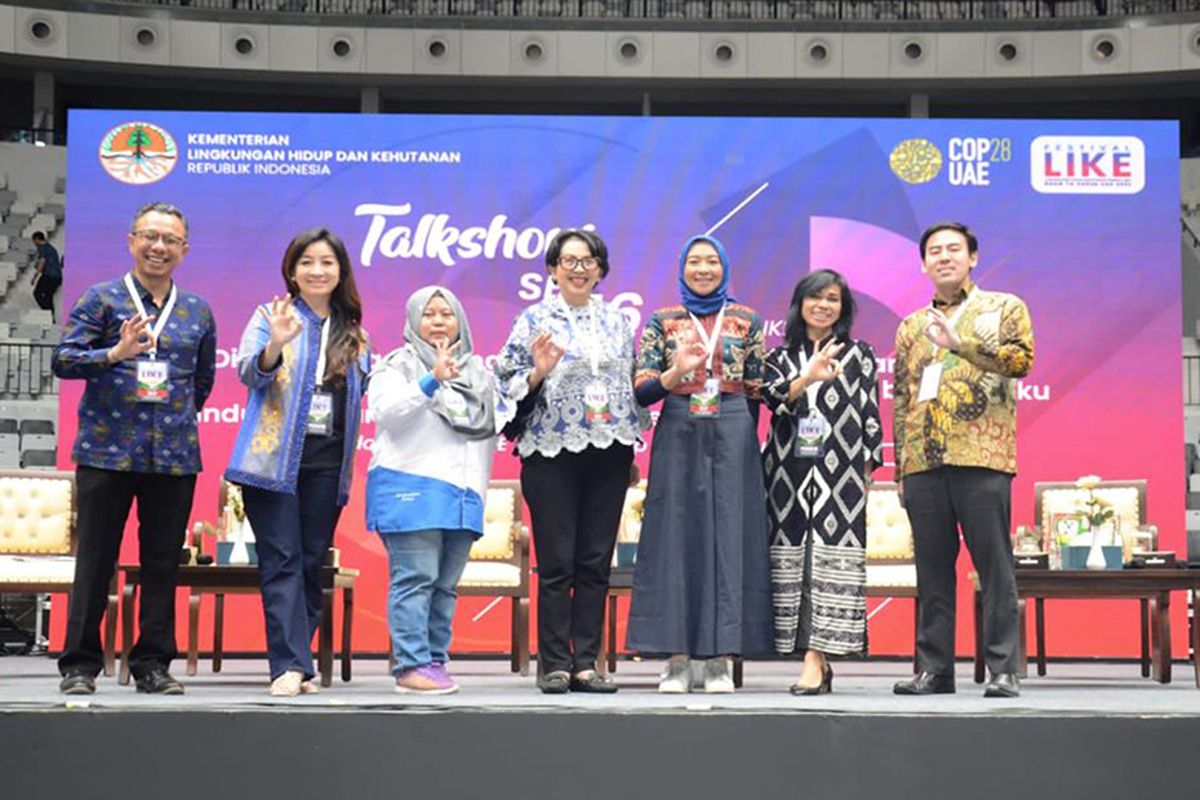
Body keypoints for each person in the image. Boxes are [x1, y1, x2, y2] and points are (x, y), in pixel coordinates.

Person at [54, 202, 216, 695]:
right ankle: (81, 665)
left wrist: (172, 417)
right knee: (97, 559)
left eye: (170, 239)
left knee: (163, 561)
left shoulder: (197, 311)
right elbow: (64, 361)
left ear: (183, 250)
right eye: (150, 236)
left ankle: (152, 664)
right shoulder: (100, 300)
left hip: (173, 456)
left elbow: (201, 383)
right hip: (106, 452)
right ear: (131, 241)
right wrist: (115, 354)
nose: (159, 246)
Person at [494, 229, 644, 694]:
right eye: (568, 260)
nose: (578, 268)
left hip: (609, 451)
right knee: (557, 562)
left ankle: (586, 663)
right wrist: (538, 370)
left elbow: (631, 382)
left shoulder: (619, 322)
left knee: (595, 562)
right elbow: (506, 381)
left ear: (601, 269)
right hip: (550, 452)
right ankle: (555, 664)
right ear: (553, 269)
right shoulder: (532, 319)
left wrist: (633, 445)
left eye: (588, 260)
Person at [891, 221, 1034, 699]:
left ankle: (1003, 669)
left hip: (983, 455)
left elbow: (1021, 361)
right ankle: (935, 670)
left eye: (954, 249)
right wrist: (901, 469)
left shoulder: (1003, 307)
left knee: (994, 568)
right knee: (932, 571)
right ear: (924, 263)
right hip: (924, 463)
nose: (944, 257)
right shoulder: (911, 326)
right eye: (935, 251)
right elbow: (902, 398)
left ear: (973, 256)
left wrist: (962, 345)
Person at [225, 228, 370, 697]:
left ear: (340, 271)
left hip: (327, 467)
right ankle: (287, 665)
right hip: (272, 464)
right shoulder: (273, 315)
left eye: (327, 262)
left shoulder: (354, 331)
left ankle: (299, 662)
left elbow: (369, 393)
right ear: (292, 270)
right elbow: (249, 372)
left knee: (310, 563)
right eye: (307, 261)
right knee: (283, 560)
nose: (317, 270)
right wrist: (275, 344)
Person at [626, 234, 773, 694]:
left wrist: (741, 440)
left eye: (712, 261)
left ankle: (719, 661)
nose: (703, 269)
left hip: (731, 424)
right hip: (676, 419)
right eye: (695, 261)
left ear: (724, 268)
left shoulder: (746, 320)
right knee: (675, 536)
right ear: (683, 268)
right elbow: (644, 389)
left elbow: (756, 391)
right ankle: (675, 658)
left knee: (729, 538)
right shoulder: (663, 321)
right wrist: (676, 372)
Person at [366, 286, 497, 695]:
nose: (439, 321)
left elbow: (494, 425)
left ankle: (434, 661)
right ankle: (410, 664)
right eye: (429, 314)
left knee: (444, 585)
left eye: (447, 314)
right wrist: (429, 380)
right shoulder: (397, 366)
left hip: (463, 492)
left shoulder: (479, 373)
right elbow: (385, 412)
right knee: (415, 578)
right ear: (413, 322)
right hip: (411, 485)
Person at [761, 270, 882, 695]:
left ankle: (815, 659)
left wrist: (866, 474)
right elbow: (772, 399)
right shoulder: (777, 357)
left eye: (833, 299)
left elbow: (870, 418)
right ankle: (812, 659)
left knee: (829, 559)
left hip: (842, 474)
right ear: (800, 304)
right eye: (815, 297)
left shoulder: (861, 354)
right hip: (785, 475)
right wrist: (807, 378)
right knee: (795, 561)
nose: (823, 305)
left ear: (843, 308)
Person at [30, 231, 62, 320]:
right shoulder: (51, 248)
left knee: (37, 293)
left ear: (36, 239)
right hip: (57, 276)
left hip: (49, 275)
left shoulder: (42, 248)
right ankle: (50, 316)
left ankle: (47, 315)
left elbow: (42, 262)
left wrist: (35, 277)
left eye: (34, 241)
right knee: (48, 296)